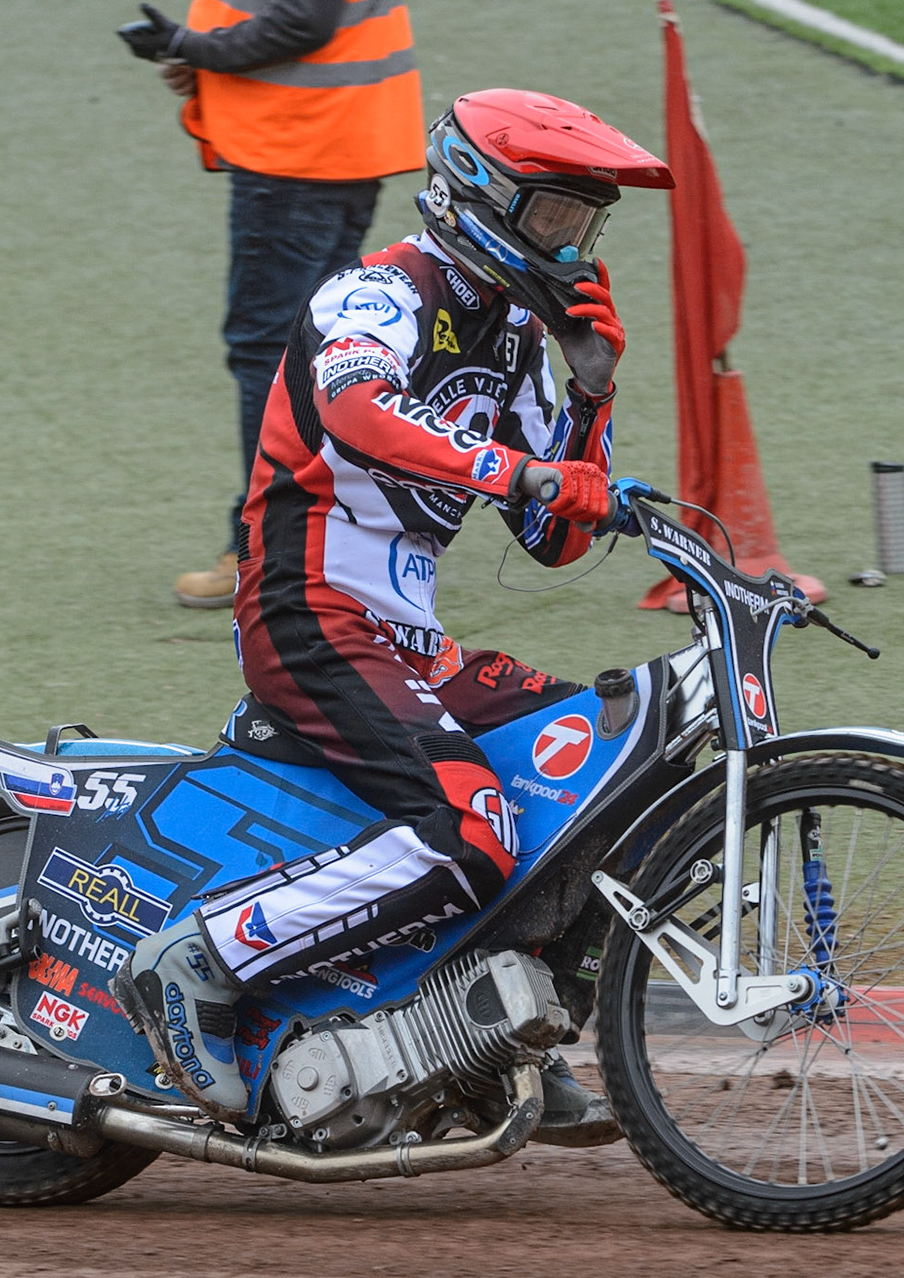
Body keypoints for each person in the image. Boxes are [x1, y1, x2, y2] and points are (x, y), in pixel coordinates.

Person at [112, 90, 673, 1135]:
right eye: (557, 218)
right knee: (471, 828)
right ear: (483, 193)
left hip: (408, 640)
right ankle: (201, 962)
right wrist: (529, 473)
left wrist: (590, 394)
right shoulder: (378, 293)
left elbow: (553, 539)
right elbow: (358, 411)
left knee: (610, 775)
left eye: (587, 227)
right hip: (305, 609)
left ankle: (512, 1037)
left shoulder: (511, 337)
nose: (572, 247)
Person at [117, 1, 425, 608]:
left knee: (274, 352)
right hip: (338, 140)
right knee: (324, 348)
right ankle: (339, 532)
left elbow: (298, 22)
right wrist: (206, 54)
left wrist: (192, 45)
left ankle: (265, 547)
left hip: (297, 152)